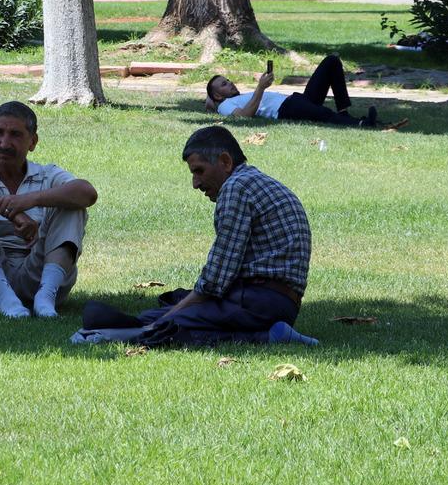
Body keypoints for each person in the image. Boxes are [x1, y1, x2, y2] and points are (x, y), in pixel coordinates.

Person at [87, 127, 316, 348]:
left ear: (225, 162)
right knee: (165, 313)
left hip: (259, 302)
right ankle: (269, 334)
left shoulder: (236, 188)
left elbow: (216, 278)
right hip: (275, 302)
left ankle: (268, 337)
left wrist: (167, 318)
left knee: (167, 326)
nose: (195, 184)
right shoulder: (253, 181)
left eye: (199, 171)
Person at [0, 101, 97, 318]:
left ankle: (46, 297)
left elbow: (87, 193)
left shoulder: (47, 175)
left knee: (73, 204)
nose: (4, 143)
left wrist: (29, 200)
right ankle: (4, 296)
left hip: (37, 275)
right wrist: (13, 212)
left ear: (33, 142)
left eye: (15, 135)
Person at [206, 54, 380, 128]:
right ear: (217, 95)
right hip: (286, 109)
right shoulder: (225, 106)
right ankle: (361, 124)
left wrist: (209, 100)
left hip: (296, 100)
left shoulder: (235, 98)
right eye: (224, 84)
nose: (230, 83)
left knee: (331, 61)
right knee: (323, 113)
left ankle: (344, 113)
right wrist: (260, 87)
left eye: (228, 80)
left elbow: (210, 101)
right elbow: (244, 117)